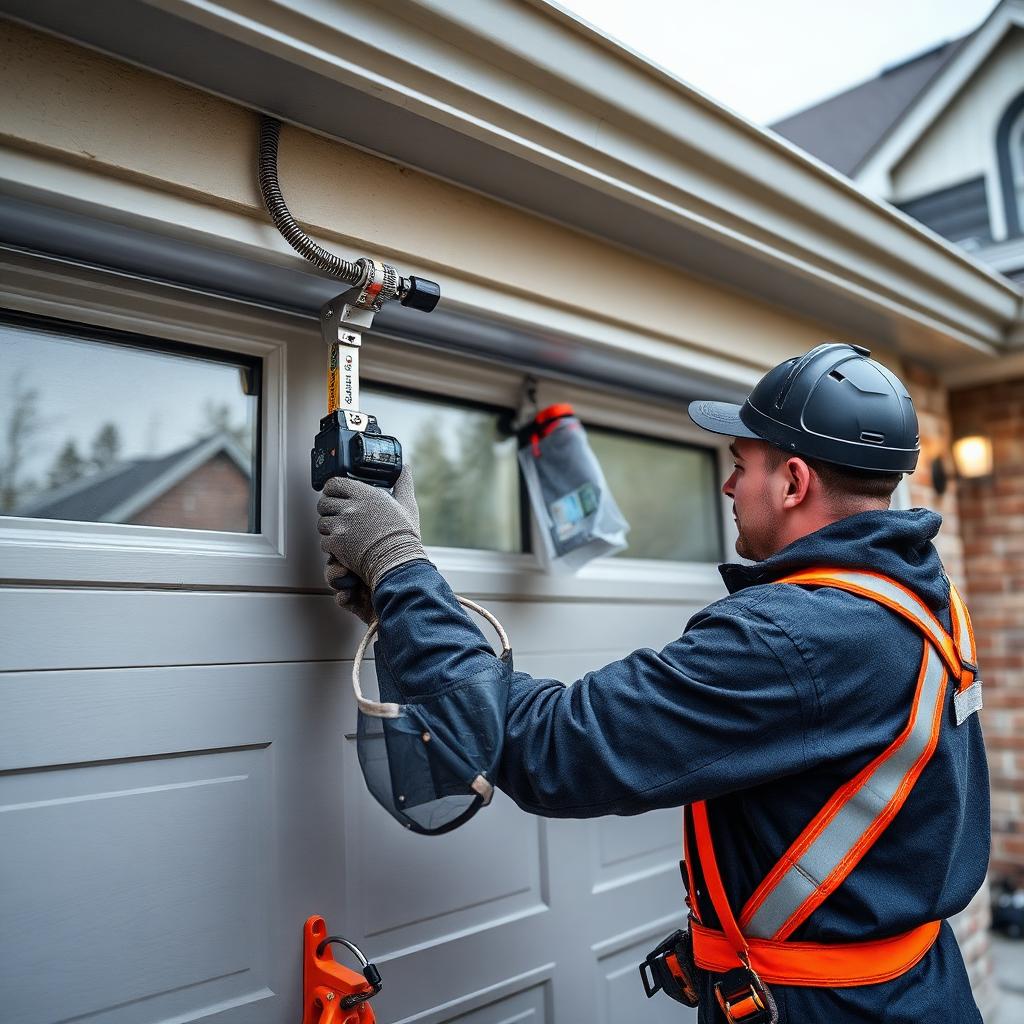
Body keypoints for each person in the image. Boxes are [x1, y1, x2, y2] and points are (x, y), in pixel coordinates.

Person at [316, 343, 988, 1023]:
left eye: (739, 466)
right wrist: (404, 616)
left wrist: (397, 562)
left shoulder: (794, 637)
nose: (728, 487)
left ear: (792, 482)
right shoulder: (919, 598)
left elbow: (550, 748)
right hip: (915, 987)